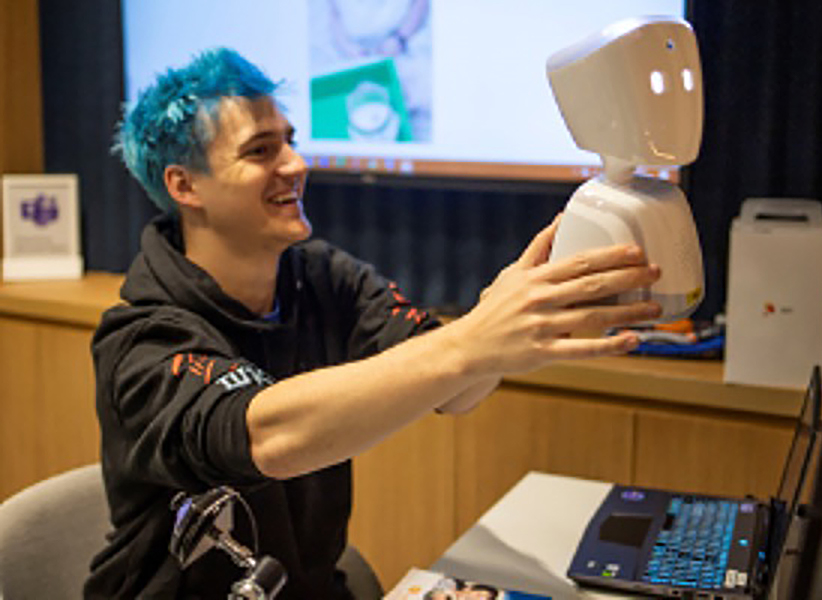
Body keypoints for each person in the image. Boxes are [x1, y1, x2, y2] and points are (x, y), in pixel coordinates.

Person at [84, 48, 661, 599]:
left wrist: (500, 335)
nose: (296, 164)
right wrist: (476, 338)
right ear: (184, 186)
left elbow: (456, 390)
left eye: (290, 141)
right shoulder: (141, 337)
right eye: (261, 151)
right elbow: (268, 437)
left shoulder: (321, 276)